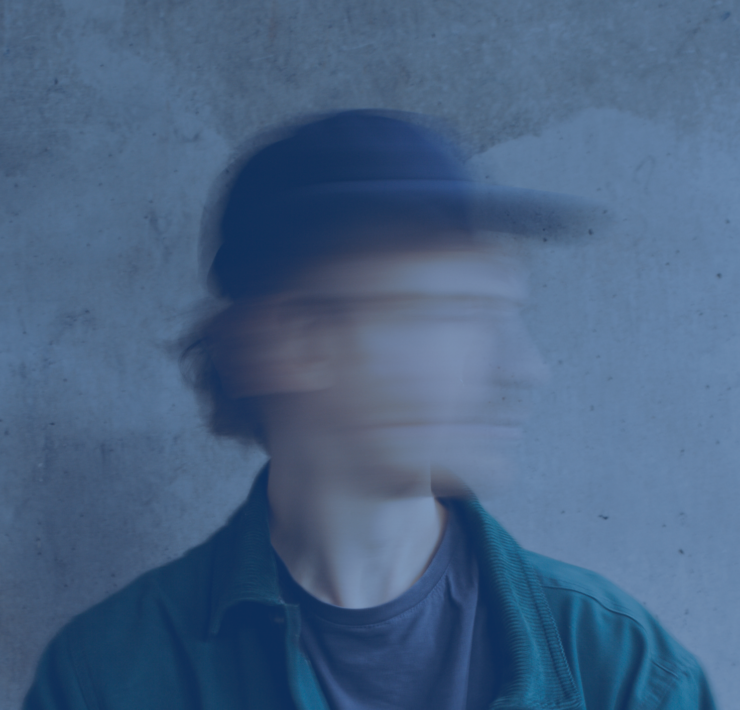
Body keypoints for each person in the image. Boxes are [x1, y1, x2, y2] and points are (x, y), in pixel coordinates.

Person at [24, 111, 717, 709]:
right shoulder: (108, 678)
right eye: (458, 311)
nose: (524, 368)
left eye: (509, 314)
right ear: (293, 342)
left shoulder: (624, 670)